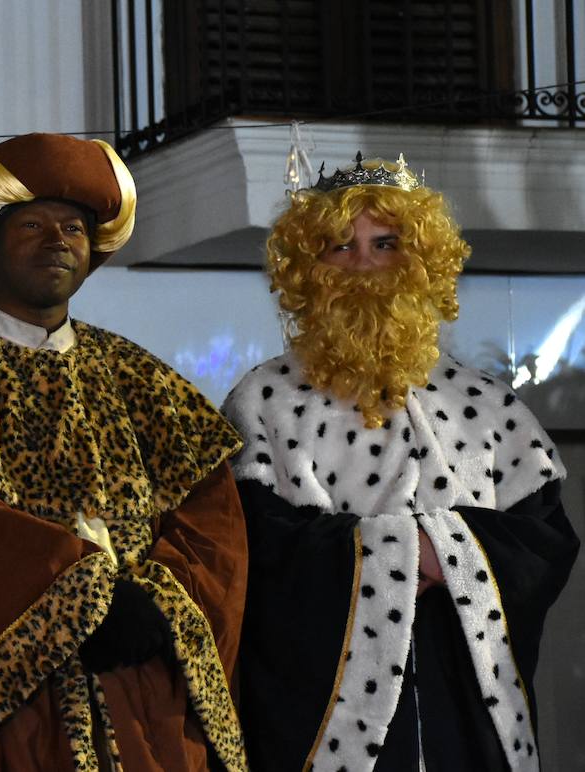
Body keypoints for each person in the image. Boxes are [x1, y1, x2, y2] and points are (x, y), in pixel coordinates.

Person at [0, 133, 249, 771]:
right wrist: (86, 600)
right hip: (11, 711)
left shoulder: (138, 376)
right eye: (32, 224)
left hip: (144, 699)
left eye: (74, 228)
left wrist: (156, 604)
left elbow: (213, 519)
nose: (57, 240)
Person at [223, 154, 578, 771]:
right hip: (321, 718)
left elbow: (543, 542)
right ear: (309, 270)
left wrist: (448, 552)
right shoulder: (263, 401)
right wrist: (401, 553)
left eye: (384, 243)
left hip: (464, 711)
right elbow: (247, 546)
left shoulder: (489, 406)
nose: (364, 264)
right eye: (340, 246)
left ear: (419, 261)